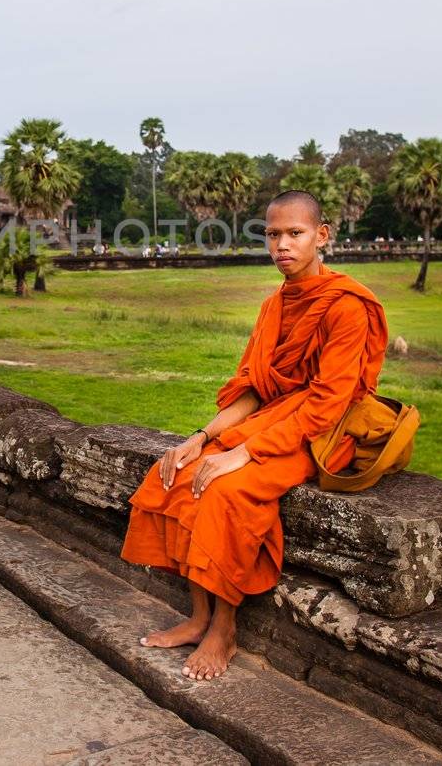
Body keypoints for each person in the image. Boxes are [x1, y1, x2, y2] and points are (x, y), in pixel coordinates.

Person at [120, 190, 388, 681]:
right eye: (273, 234)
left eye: (295, 233)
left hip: (322, 432)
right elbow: (253, 391)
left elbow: (328, 402)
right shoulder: (274, 306)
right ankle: (199, 616)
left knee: (226, 491)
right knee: (178, 475)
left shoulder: (346, 306)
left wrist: (244, 452)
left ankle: (224, 627)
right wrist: (200, 438)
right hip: (274, 417)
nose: (282, 245)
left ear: (321, 236)